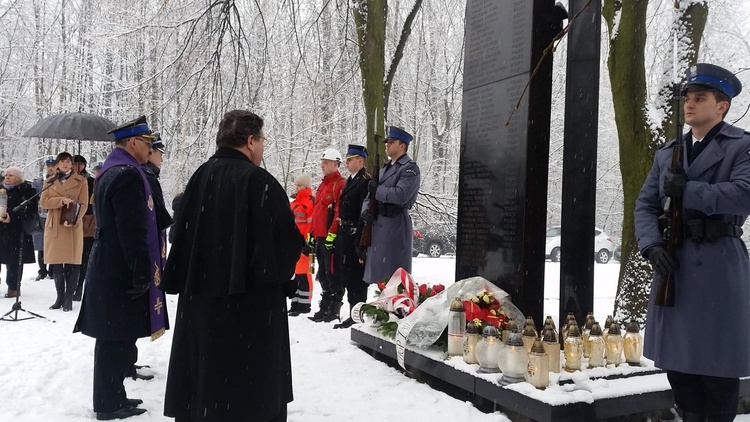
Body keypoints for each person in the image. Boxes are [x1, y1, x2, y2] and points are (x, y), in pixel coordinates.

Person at [161, 110, 303, 422]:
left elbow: (181, 235)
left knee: (204, 390)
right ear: (250, 141)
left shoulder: (200, 177)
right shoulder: (258, 181)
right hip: (249, 313)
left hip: (200, 306)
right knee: (249, 396)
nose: (263, 147)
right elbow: (286, 242)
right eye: (262, 140)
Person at [634, 63, 750, 422]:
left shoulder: (741, 147)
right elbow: (645, 204)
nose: (689, 104)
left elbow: (744, 195)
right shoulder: (668, 154)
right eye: (687, 97)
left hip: (719, 267)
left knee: (718, 373)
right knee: (682, 374)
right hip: (676, 265)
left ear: (722, 106)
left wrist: (690, 190)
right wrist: (651, 245)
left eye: (700, 98)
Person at [73, 116, 166, 420]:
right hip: (120, 266)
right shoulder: (127, 175)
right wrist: (142, 271)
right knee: (115, 337)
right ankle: (109, 403)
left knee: (116, 335)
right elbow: (132, 229)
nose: (149, 150)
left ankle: (113, 396)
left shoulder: (111, 170)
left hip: (109, 261)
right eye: (148, 144)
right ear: (134, 143)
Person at [123, 132, 173, 382]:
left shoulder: (149, 175)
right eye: (158, 151)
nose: (162, 157)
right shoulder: (142, 175)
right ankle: (125, 363)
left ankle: (128, 361)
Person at [361, 126, 420, 284]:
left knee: (393, 280)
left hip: (395, 225)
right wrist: (365, 211)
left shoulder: (410, 169)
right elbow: (369, 196)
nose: (387, 144)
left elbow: (401, 195)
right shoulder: (384, 169)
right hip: (378, 225)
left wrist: (378, 189)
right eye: (387, 141)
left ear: (402, 145)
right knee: (379, 279)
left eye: (391, 142)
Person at [40, 152, 88, 311]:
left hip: (71, 225)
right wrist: (61, 201)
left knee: (72, 263)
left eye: (69, 161)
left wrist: (74, 219)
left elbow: (84, 204)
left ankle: (69, 297)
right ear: (58, 164)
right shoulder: (50, 180)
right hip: (55, 224)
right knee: (56, 263)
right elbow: (44, 202)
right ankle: (59, 296)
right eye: (63, 161)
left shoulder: (81, 181)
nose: (66, 164)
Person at [331, 145, 371, 328]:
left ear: (360, 161)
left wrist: (360, 239)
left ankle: (358, 314)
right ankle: (352, 312)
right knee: (348, 275)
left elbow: (365, 213)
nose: (346, 163)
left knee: (357, 278)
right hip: (345, 234)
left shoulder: (365, 181)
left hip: (357, 234)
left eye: (350, 159)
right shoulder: (350, 180)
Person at [308, 148, 345, 322]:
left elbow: (338, 212)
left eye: (326, 163)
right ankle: (324, 307)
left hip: (330, 238)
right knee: (322, 273)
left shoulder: (339, 184)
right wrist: (311, 233)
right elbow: (317, 212)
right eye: (322, 162)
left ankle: (334, 308)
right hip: (319, 236)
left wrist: (332, 233)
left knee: (332, 273)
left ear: (335, 164)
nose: (322, 165)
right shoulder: (323, 185)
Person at [0, 166, 38, 297]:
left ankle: (14, 287)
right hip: (1, 229)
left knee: (14, 260)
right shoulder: (1, 189)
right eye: (6, 175)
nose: (7, 177)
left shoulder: (27, 190)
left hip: (17, 230)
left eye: (11, 175)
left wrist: (12, 216)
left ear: (18, 178)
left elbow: (31, 209)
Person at [288, 173, 315, 316]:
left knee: (304, 275)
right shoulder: (294, 203)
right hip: (294, 243)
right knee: (296, 275)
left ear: (306, 186)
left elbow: (312, 224)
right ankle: (296, 302)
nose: (296, 187)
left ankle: (304, 305)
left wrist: (309, 243)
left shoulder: (309, 202)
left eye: (299, 185)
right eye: (296, 185)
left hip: (304, 244)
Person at [73, 154, 95, 301]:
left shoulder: (92, 181)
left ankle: (80, 286)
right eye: (75, 163)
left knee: (84, 255)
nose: (78, 166)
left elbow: (93, 201)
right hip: (70, 220)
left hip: (87, 220)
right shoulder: (65, 180)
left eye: (81, 164)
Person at [32, 157, 56, 281]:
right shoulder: (39, 182)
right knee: (41, 244)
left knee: (53, 243)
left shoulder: (60, 181)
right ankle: (42, 270)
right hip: (40, 216)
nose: (50, 167)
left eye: (53, 165)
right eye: (49, 165)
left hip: (54, 215)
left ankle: (52, 269)